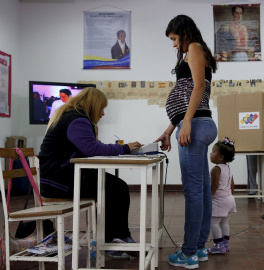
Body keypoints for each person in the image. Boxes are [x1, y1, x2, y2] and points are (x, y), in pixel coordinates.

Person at [38, 87, 142, 259]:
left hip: (56, 179)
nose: (102, 114)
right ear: (93, 105)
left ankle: (113, 238)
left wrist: (116, 148)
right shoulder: (77, 120)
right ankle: (116, 239)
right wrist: (125, 148)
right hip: (59, 183)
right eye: (102, 108)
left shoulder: (70, 117)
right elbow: (92, 148)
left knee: (112, 186)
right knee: (117, 187)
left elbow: (90, 147)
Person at [155, 14, 217, 269]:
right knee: (201, 191)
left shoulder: (193, 47)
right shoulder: (196, 49)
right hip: (199, 124)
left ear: (183, 32)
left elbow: (199, 87)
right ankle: (199, 247)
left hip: (196, 125)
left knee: (192, 192)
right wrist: (170, 129)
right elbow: (186, 96)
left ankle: (188, 253)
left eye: (173, 38)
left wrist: (187, 123)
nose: (173, 44)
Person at [207, 137, 236, 255]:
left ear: (220, 157)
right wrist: (229, 196)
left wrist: (208, 197)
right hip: (229, 199)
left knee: (213, 223)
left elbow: (214, 186)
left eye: (213, 151)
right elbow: (232, 184)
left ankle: (218, 245)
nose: (210, 153)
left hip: (219, 201)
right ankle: (225, 244)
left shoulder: (216, 169)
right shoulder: (228, 168)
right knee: (224, 223)